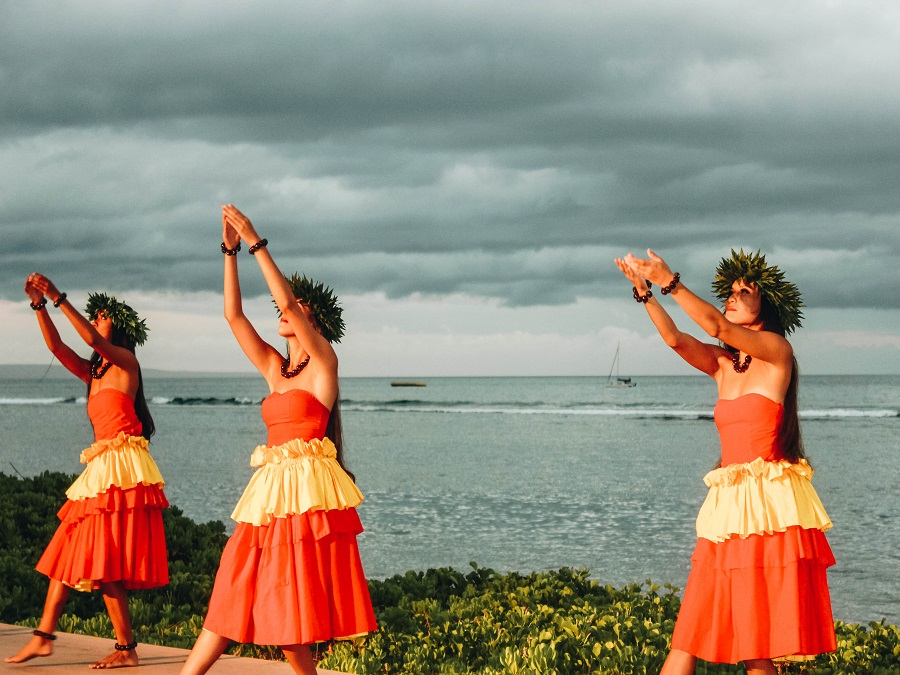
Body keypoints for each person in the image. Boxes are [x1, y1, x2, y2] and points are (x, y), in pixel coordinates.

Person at [614, 249, 835, 675]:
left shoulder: (776, 352)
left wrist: (670, 280)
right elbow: (678, 340)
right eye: (729, 292)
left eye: (742, 292)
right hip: (725, 509)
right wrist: (646, 295)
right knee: (689, 632)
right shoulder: (723, 366)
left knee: (755, 646)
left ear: (765, 305)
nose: (731, 297)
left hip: (765, 510)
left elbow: (716, 325)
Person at [179, 205, 376, 675]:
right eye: (290, 308)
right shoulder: (275, 368)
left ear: (317, 323)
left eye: (300, 309)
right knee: (232, 586)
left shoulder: (324, 365)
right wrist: (228, 250)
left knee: (285, 608)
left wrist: (255, 240)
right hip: (268, 498)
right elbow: (233, 315)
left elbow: (287, 304)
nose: (286, 312)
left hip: (304, 503)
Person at [6, 276, 168, 669]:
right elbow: (58, 347)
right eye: (94, 315)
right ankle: (46, 637)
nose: (97, 320)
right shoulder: (93, 375)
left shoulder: (127, 364)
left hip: (123, 472)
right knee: (71, 549)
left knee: (101, 560)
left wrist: (59, 296)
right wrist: (40, 307)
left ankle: (121, 648)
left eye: (102, 316)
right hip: (100, 472)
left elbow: (95, 342)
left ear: (121, 330)